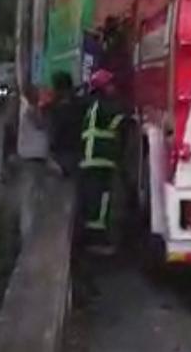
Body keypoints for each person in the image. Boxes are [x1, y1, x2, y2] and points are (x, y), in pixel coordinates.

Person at [76, 68, 127, 254]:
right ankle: (98, 240)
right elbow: (122, 120)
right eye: (110, 85)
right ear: (103, 87)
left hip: (91, 159)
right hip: (100, 159)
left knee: (92, 200)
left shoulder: (91, 105)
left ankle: (89, 239)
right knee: (101, 201)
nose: (114, 88)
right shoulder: (106, 106)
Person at [46, 71, 85, 177]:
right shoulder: (82, 106)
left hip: (63, 158)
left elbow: (54, 136)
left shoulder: (56, 110)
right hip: (82, 155)